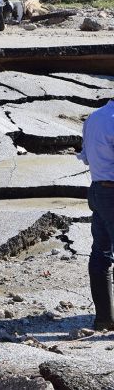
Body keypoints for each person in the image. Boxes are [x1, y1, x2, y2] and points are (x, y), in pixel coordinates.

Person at [79, 100, 114, 331]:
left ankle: (104, 319)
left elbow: (85, 157)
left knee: (100, 253)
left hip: (98, 189)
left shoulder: (94, 117)